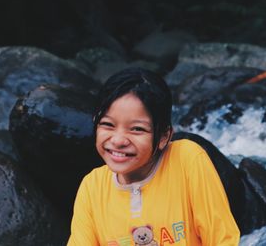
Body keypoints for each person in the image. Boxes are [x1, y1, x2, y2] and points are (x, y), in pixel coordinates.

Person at [67, 68, 240, 245]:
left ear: (164, 136)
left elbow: (223, 239)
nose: (118, 140)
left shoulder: (187, 161)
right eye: (108, 124)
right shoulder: (92, 187)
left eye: (137, 129)